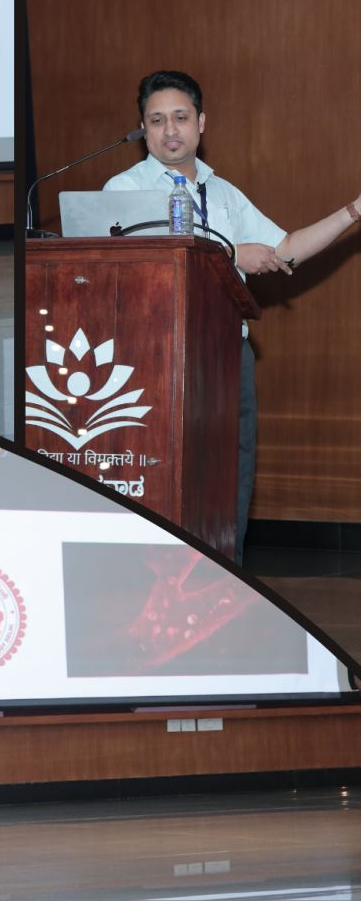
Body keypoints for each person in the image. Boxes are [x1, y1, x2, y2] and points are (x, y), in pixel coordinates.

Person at [105, 69, 361, 561]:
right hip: (157, 356)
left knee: (231, 477)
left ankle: (230, 578)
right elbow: (145, 263)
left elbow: (284, 249)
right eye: (156, 120)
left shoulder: (223, 194)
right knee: (168, 474)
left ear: (201, 123)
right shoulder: (123, 189)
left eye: (180, 117)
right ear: (142, 130)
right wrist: (232, 253)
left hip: (227, 352)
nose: (170, 130)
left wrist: (353, 211)